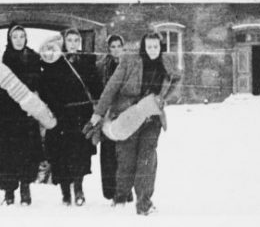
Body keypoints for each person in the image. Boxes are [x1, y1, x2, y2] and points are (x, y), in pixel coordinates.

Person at [88, 32, 170, 216]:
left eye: (156, 47)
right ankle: (120, 198)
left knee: (147, 160)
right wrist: (97, 114)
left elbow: (176, 81)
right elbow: (111, 88)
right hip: (127, 116)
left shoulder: (166, 64)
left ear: (160, 47)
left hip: (152, 119)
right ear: (143, 47)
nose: (152, 51)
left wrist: (165, 99)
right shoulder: (129, 62)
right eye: (149, 47)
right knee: (126, 159)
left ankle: (144, 204)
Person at [39, 29, 96, 206]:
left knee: (80, 154)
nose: (72, 43)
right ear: (64, 42)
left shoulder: (87, 62)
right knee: (61, 154)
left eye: (75, 40)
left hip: (81, 115)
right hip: (62, 115)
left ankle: (78, 189)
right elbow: (44, 86)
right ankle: (65, 192)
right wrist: (56, 107)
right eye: (69, 40)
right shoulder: (54, 61)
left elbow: (95, 86)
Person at [0, 24, 44, 205]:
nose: (19, 40)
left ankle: (26, 188)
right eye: (15, 37)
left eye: (22, 36)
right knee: (8, 154)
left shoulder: (34, 58)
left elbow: (41, 82)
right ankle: (9, 192)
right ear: (10, 40)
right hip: (9, 115)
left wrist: (37, 94)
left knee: (28, 153)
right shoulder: (4, 60)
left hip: (28, 113)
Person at [98, 34, 133, 203]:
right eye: (112, 46)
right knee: (109, 154)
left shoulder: (131, 65)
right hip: (108, 114)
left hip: (125, 113)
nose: (116, 49)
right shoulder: (102, 66)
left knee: (125, 154)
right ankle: (111, 191)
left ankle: (125, 191)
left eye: (119, 46)